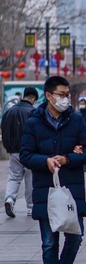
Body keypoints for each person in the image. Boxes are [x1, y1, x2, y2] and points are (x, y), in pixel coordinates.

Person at [20, 76, 86, 264]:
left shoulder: (76, 120)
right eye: (61, 95)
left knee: (75, 238)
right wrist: (45, 161)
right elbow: (25, 155)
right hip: (46, 191)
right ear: (49, 96)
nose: (66, 99)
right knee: (49, 243)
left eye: (67, 94)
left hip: (71, 190)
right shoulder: (33, 122)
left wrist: (67, 158)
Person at [2, 87, 38, 217]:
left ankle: (10, 199)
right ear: (33, 98)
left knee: (14, 177)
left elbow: (4, 130)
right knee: (30, 178)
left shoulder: (9, 111)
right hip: (29, 151)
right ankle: (30, 207)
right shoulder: (34, 112)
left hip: (14, 151)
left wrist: (9, 147)